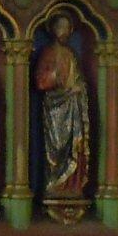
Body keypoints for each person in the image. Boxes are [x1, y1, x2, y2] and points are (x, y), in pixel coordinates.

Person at [34, 13, 90, 203]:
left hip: (72, 107)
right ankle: (55, 183)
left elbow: (79, 80)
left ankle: (72, 185)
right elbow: (41, 82)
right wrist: (56, 79)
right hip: (55, 109)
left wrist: (79, 87)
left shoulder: (71, 54)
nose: (64, 32)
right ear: (53, 30)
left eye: (67, 28)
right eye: (60, 27)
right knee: (57, 146)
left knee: (73, 146)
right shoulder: (48, 53)